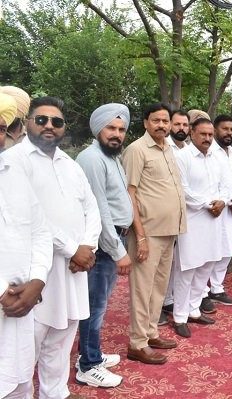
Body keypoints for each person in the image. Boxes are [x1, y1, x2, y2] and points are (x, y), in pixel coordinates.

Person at [3, 96, 102, 399]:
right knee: (26, 348)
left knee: (62, 339)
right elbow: (35, 219)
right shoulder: (15, 161)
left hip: (74, 269)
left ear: (63, 128)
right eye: (41, 119)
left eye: (56, 122)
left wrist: (88, 245)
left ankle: (55, 392)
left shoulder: (70, 165)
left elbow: (92, 208)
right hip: (36, 272)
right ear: (27, 123)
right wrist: (73, 249)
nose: (49, 126)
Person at [74, 103, 134, 388]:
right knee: (94, 306)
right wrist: (117, 250)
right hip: (102, 246)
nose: (117, 134)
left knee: (99, 303)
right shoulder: (92, 159)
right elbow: (100, 209)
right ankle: (88, 365)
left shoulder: (111, 157)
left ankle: (87, 354)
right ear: (98, 129)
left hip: (114, 240)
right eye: (111, 128)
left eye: (121, 130)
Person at [122, 103, 186, 365]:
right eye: (156, 120)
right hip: (147, 233)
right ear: (146, 123)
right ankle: (137, 343)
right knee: (142, 289)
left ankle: (150, 333)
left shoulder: (168, 148)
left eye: (165, 121)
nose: (162, 125)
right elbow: (130, 194)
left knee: (158, 288)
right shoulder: (137, 150)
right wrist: (141, 236)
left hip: (169, 231)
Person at [0, 107, 52, 399]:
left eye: (0, 128)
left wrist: (37, 281)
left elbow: (40, 231)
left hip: (21, 307)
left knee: (20, 384)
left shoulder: (13, 172)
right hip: (10, 301)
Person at [172, 118, 228, 337]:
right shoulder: (182, 157)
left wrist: (222, 201)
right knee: (187, 269)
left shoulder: (217, 158)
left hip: (214, 221)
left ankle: (194, 309)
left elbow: (226, 186)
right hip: (192, 221)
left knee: (207, 265)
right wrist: (208, 204)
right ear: (192, 133)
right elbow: (182, 190)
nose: (207, 138)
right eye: (202, 134)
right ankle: (179, 316)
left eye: (210, 135)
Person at [207, 114, 232, 306]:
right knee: (212, 250)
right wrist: (220, 201)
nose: (229, 133)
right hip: (214, 211)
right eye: (225, 129)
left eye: (231, 129)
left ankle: (216, 288)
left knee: (227, 250)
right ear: (215, 130)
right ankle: (203, 291)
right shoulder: (209, 152)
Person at [159, 109, 192, 326]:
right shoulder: (164, 147)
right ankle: (157, 306)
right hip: (164, 215)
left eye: (185, 125)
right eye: (177, 124)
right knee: (160, 265)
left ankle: (168, 300)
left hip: (187, 217)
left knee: (176, 263)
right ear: (170, 125)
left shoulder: (189, 150)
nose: (181, 128)